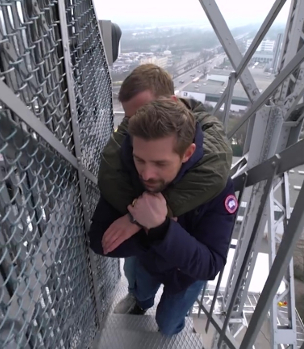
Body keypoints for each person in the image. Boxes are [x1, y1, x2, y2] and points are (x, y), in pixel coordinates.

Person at [88, 100, 238, 335]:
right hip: (150, 261)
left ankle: (172, 325)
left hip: (186, 273)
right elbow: (99, 239)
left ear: (187, 153)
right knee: (141, 293)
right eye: (140, 159)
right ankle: (140, 303)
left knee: (168, 324)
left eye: (160, 163)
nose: (146, 174)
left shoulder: (217, 187)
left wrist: (158, 228)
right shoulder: (126, 171)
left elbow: (211, 264)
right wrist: (146, 226)